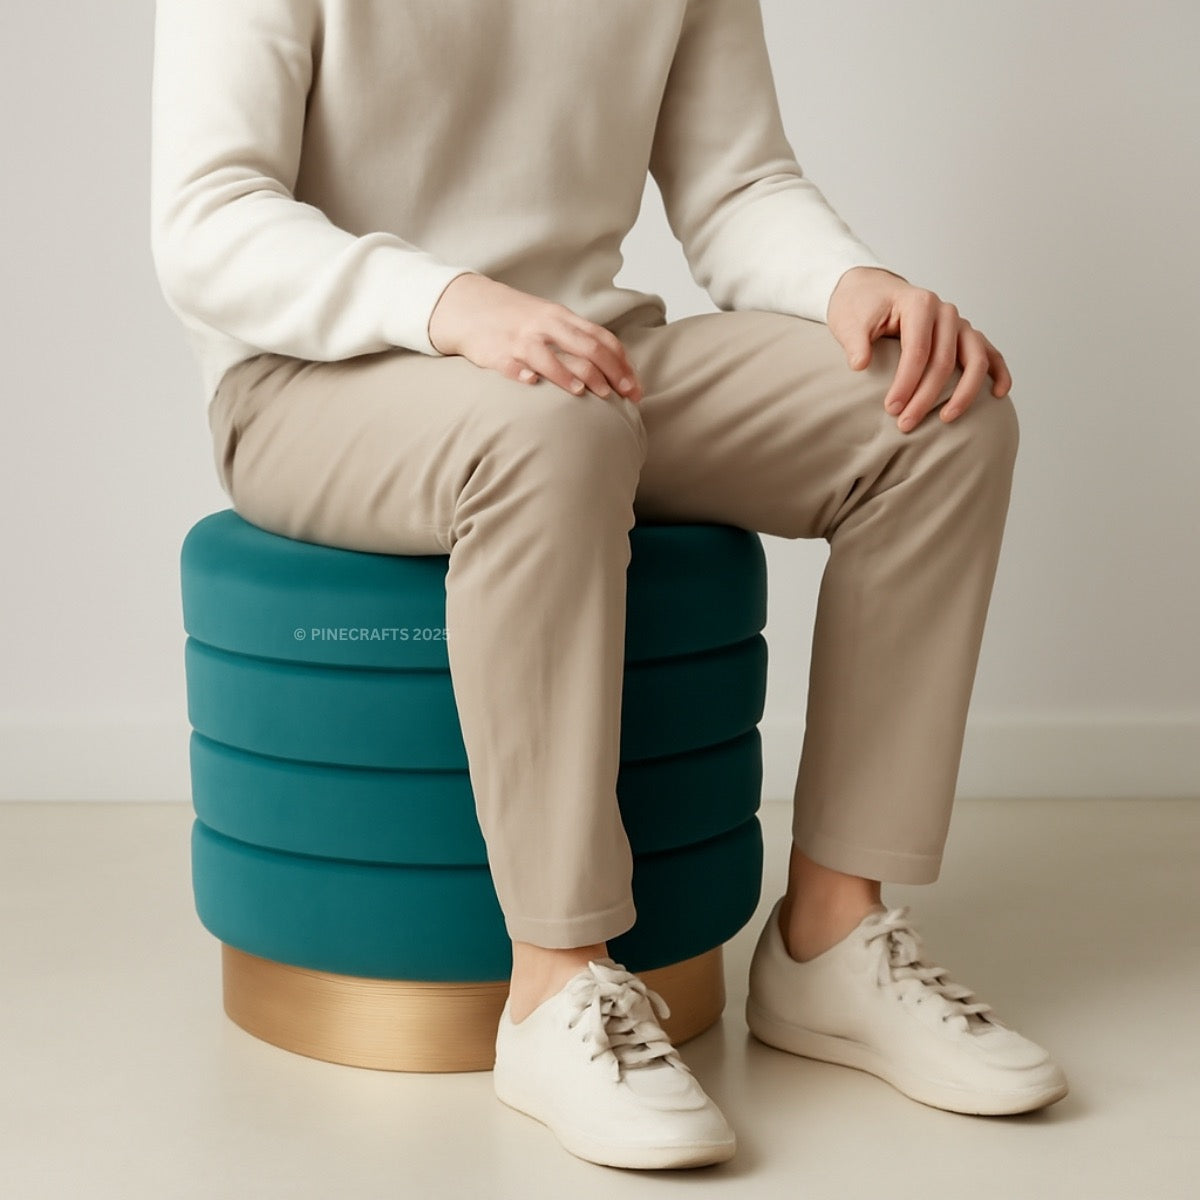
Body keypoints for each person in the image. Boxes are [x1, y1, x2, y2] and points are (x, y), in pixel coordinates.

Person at [150, 0, 1068, 1173]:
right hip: (316, 381)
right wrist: (448, 304)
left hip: (579, 359)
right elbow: (209, 219)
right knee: (551, 436)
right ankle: (557, 985)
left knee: (939, 419)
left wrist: (849, 279)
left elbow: (736, 185)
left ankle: (831, 939)